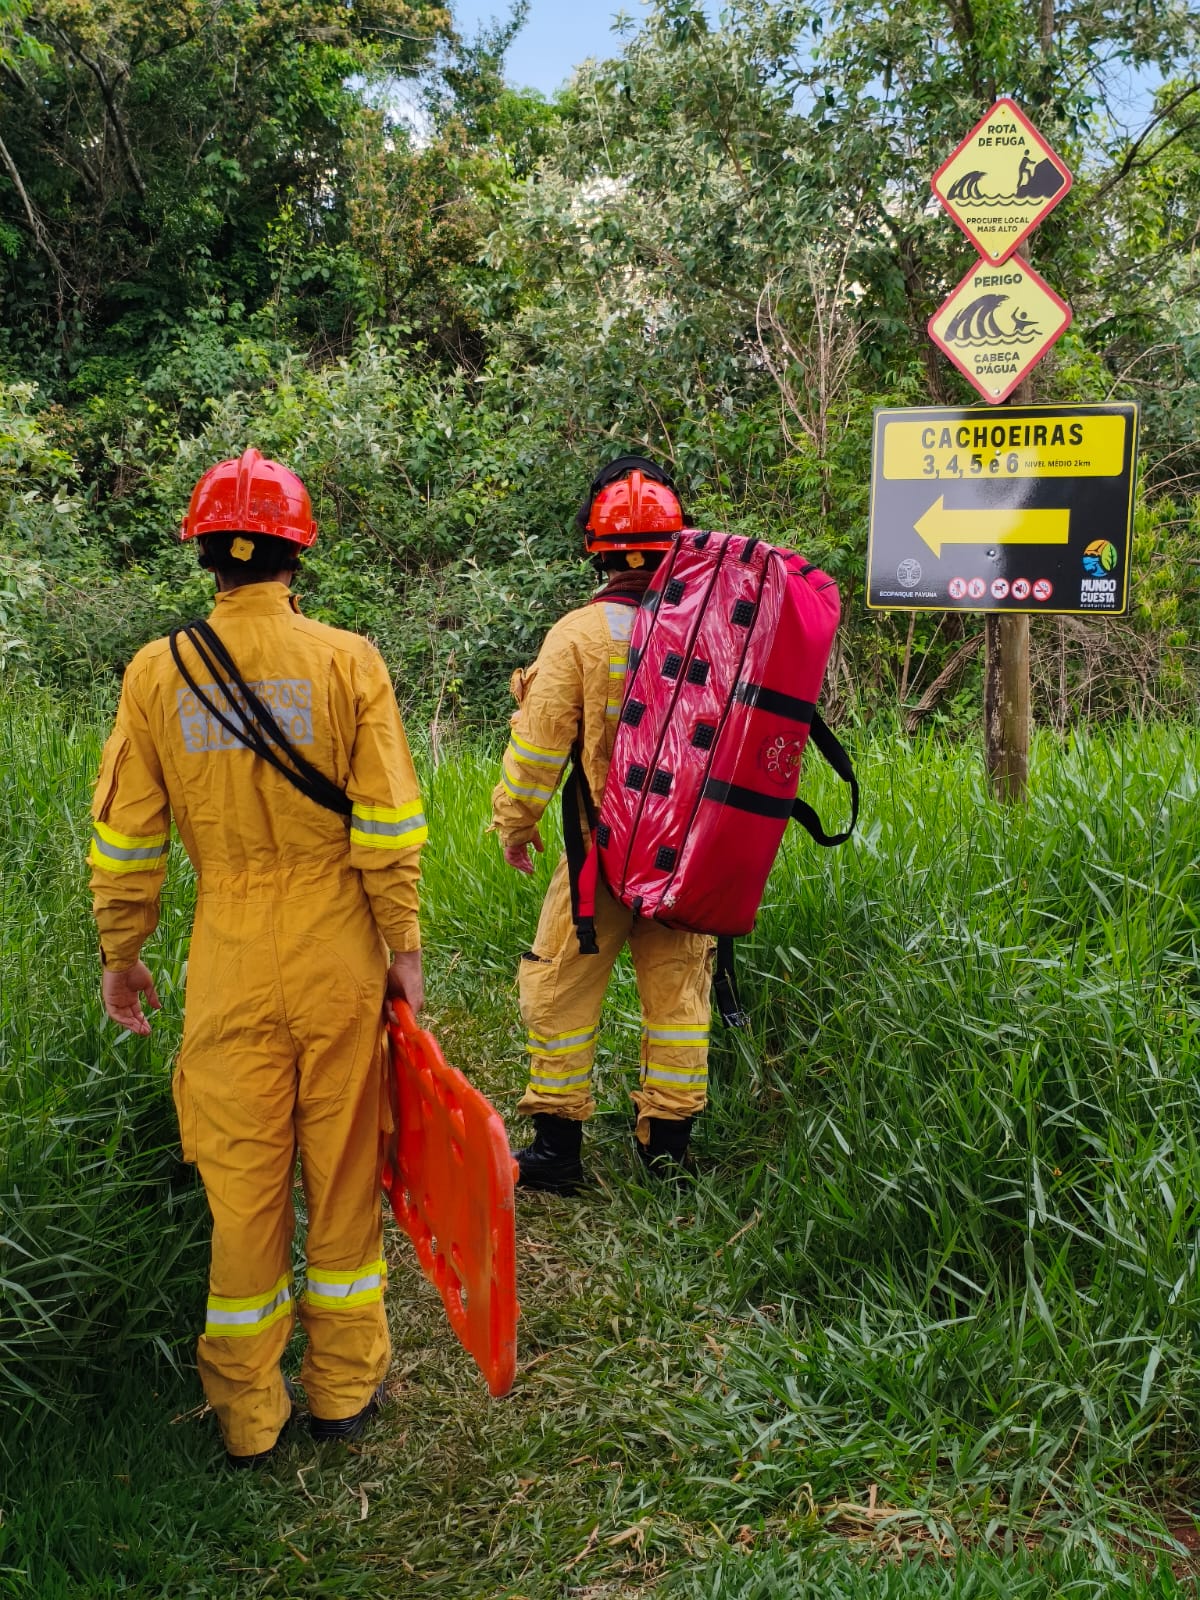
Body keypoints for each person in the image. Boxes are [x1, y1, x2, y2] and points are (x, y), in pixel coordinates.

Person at [88, 448, 427, 1467]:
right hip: (339, 954)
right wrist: (402, 948)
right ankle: (345, 1389)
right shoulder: (348, 660)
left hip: (227, 959)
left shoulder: (158, 671)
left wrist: (122, 950)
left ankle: (247, 1414)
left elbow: (127, 838)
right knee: (343, 1166)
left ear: (206, 554)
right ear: (297, 554)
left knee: (242, 1192)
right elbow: (388, 826)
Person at [491, 456, 713, 1193]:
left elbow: (536, 748)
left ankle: (556, 1151)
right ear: (678, 547)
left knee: (560, 989)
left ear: (595, 548)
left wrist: (514, 826)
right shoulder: (711, 625)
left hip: (602, 861)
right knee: (678, 998)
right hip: (688, 858)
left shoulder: (582, 634)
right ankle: (668, 1157)